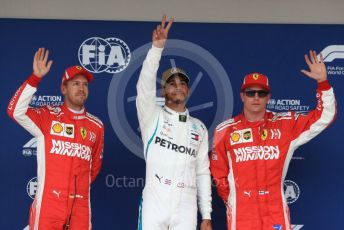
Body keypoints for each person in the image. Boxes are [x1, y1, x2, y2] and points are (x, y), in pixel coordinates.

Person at [210, 50, 336, 230]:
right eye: (250, 92)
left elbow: (325, 116)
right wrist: (235, 199)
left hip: (275, 211)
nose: (255, 97)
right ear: (242, 96)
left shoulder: (285, 125)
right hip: (242, 214)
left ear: (268, 97)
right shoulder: (225, 130)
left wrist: (322, 83)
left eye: (261, 93)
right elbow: (219, 174)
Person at [7, 48, 104, 230]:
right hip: (49, 204)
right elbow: (15, 111)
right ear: (63, 88)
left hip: (81, 206)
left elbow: (94, 167)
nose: (81, 88)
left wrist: (75, 190)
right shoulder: (48, 116)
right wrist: (35, 78)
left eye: (85, 84)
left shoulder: (96, 126)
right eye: (75, 83)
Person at [136, 16, 212, 230]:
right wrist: (156, 49)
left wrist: (206, 214)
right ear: (163, 90)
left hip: (186, 203)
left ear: (188, 90)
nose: (178, 87)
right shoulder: (152, 116)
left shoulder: (199, 127)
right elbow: (144, 86)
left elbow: (202, 171)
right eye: (172, 83)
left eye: (182, 83)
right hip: (155, 198)